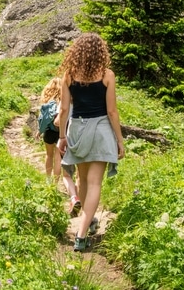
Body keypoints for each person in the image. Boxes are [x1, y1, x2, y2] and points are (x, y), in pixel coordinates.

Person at [56, 33, 125, 252]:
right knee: (95, 182)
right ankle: (82, 234)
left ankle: (87, 221)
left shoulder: (68, 75)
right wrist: (119, 140)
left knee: (82, 180)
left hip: (77, 128)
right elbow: (112, 111)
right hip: (101, 129)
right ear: (100, 52)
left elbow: (64, 109)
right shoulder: (107, 75)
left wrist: (62, 137)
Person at [37, 77, 80, 209]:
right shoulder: (64, 99)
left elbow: (44, 118)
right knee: (59, 157)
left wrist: (40, 130)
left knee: (49, 155)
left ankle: (50, 181)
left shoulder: (48, 100)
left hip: (50, 131)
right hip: (64, 130)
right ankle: (63, 184)